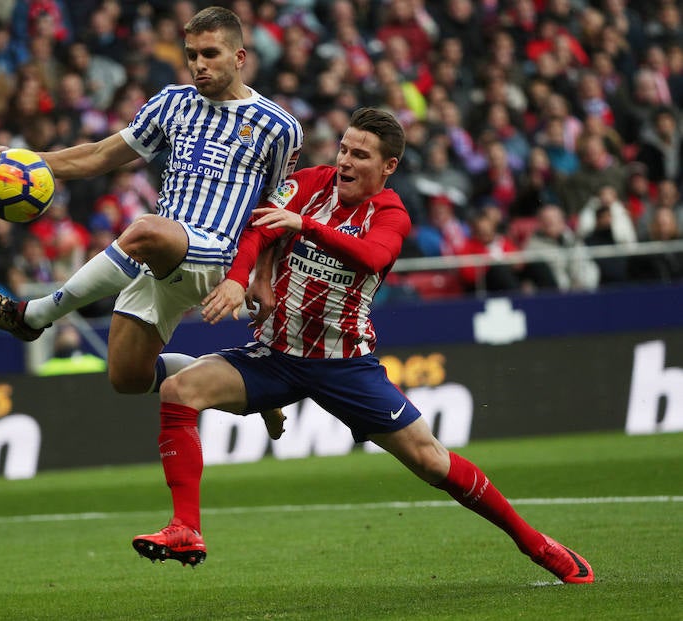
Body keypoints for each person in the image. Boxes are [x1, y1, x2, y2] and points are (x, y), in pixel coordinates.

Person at [130, 108, 593, 586]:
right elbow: (259, 230)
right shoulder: (309, 184)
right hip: (276, 355)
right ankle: (186, 528)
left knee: (431, 460)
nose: (345, 161)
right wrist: (243, 277)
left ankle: (535, 544)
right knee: (179, 391)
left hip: (345, 366)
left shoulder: (390, 213)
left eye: (360, 155)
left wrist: (304, 227)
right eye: (344, 149)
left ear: (388, 166)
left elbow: (374, 255)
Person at [0, 7, 302, 418]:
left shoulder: (279, 127)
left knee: (143, 229)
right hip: (164, 257)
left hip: (217, 255)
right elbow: (99, 155)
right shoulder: (172, 103)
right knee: (128, 377)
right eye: (191, 54)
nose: (198, 64)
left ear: (239, 57)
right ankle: (244, 386)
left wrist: (258, 276)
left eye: (209, 54)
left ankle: (33, 315)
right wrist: (24, 160)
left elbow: (274, 211)